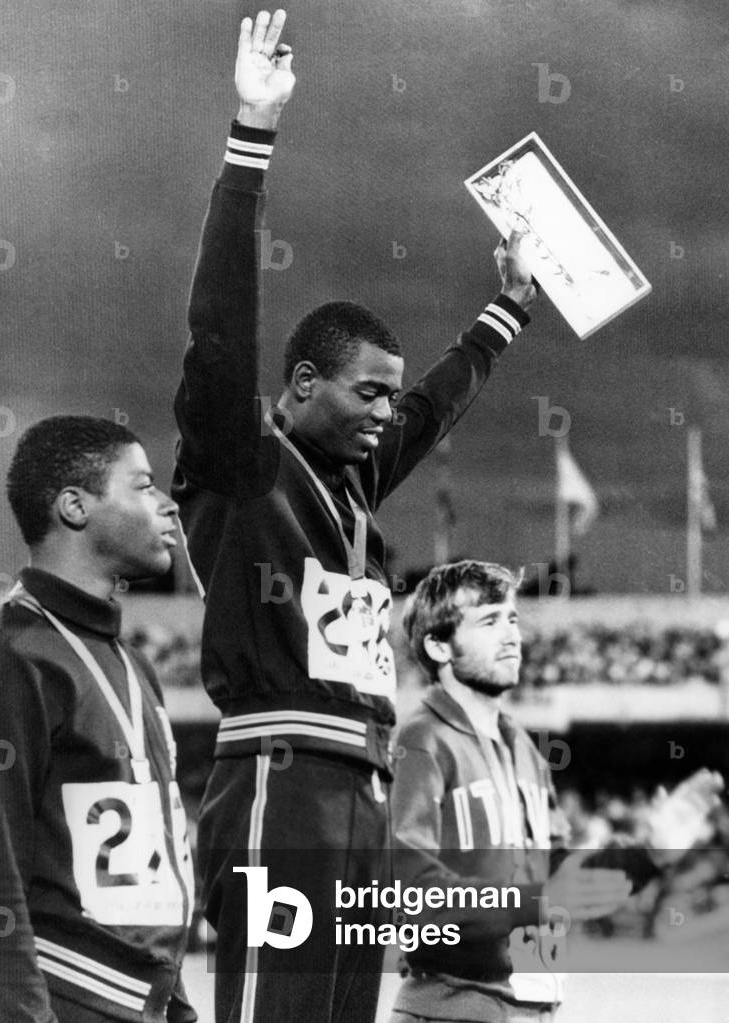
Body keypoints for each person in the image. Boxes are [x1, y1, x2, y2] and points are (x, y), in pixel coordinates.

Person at [172, 10, 538, 1022]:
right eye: (364, 393)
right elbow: (217, 328)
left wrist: (503, 313)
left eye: (389, 396)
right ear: (296, 386)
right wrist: (252, 134)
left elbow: (433, 405)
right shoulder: (242, 466)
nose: (386, 413)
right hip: (279, 781)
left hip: (362, 785)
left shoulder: (349, 489)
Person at [389, 559, 722, 1023]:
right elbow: (411, 894)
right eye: (488, 621)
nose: (511, 635)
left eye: (512, 619)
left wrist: (649, 855)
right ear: (439, 646)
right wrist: (538, 900)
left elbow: (565, 875)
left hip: (533, 1011)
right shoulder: (422, 741)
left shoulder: (524, 749)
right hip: (453, 1010)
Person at [0, 416, 196, 1023]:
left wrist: (176, 1003)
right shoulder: (6, 659)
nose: (168, 505)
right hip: (66, 998)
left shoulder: (134, 663)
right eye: (144, 486)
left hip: (144, 1001)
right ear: (75, 506)